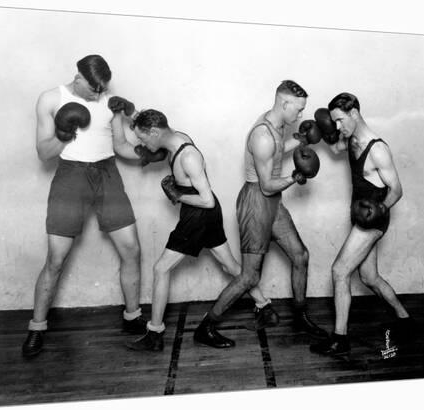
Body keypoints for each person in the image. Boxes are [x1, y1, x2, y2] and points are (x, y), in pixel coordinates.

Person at [22, 55, 162, 357]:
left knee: (132, 250)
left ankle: (132, 316)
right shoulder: (51, 99)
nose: (98, 95)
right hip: (70, 177)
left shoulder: (109, 102)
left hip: (107, 174)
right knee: (56, 259)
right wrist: (64, 133)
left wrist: (149, 153)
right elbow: (43, 153)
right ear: (79, 78)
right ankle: (36, 327)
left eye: (103, 89)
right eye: (94, 89)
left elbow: (122, 146)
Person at [126, 109, 275, 351]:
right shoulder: (175, 138)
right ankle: (265, 306)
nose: (142, 143)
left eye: (143, 138)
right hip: (202, 215)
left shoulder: (188, 157)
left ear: (154, 132)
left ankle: (154, 335)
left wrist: (177, 194)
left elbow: (207, 201)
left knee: (160, 268)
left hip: (199, 215)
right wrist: (131, 114)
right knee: (231, 266)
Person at [194, 80, 328, 348]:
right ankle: (205, 327)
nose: (301, 116)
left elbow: (279, 150)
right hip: (257, 201)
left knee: (300, 256)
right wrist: (296, 175)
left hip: (273, 203)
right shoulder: (263, 135)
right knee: (250, 277)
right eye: (298, 110)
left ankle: (300, 316)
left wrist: (300, 139)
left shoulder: (278, 126)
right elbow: (267, 185)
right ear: (284, 103)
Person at [310, 93, 411, 356]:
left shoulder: (377, 149)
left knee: (339, 271)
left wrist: (380, 209)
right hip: (359, 213)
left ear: (354, 113)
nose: (339, 127)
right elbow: (335, 148)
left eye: (341, 120)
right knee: (369, 277)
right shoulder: (349, 137)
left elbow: (397, 190)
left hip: (373, 218)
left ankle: (340, 339)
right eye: (335, 122)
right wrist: (319, 131)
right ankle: (404, 319)